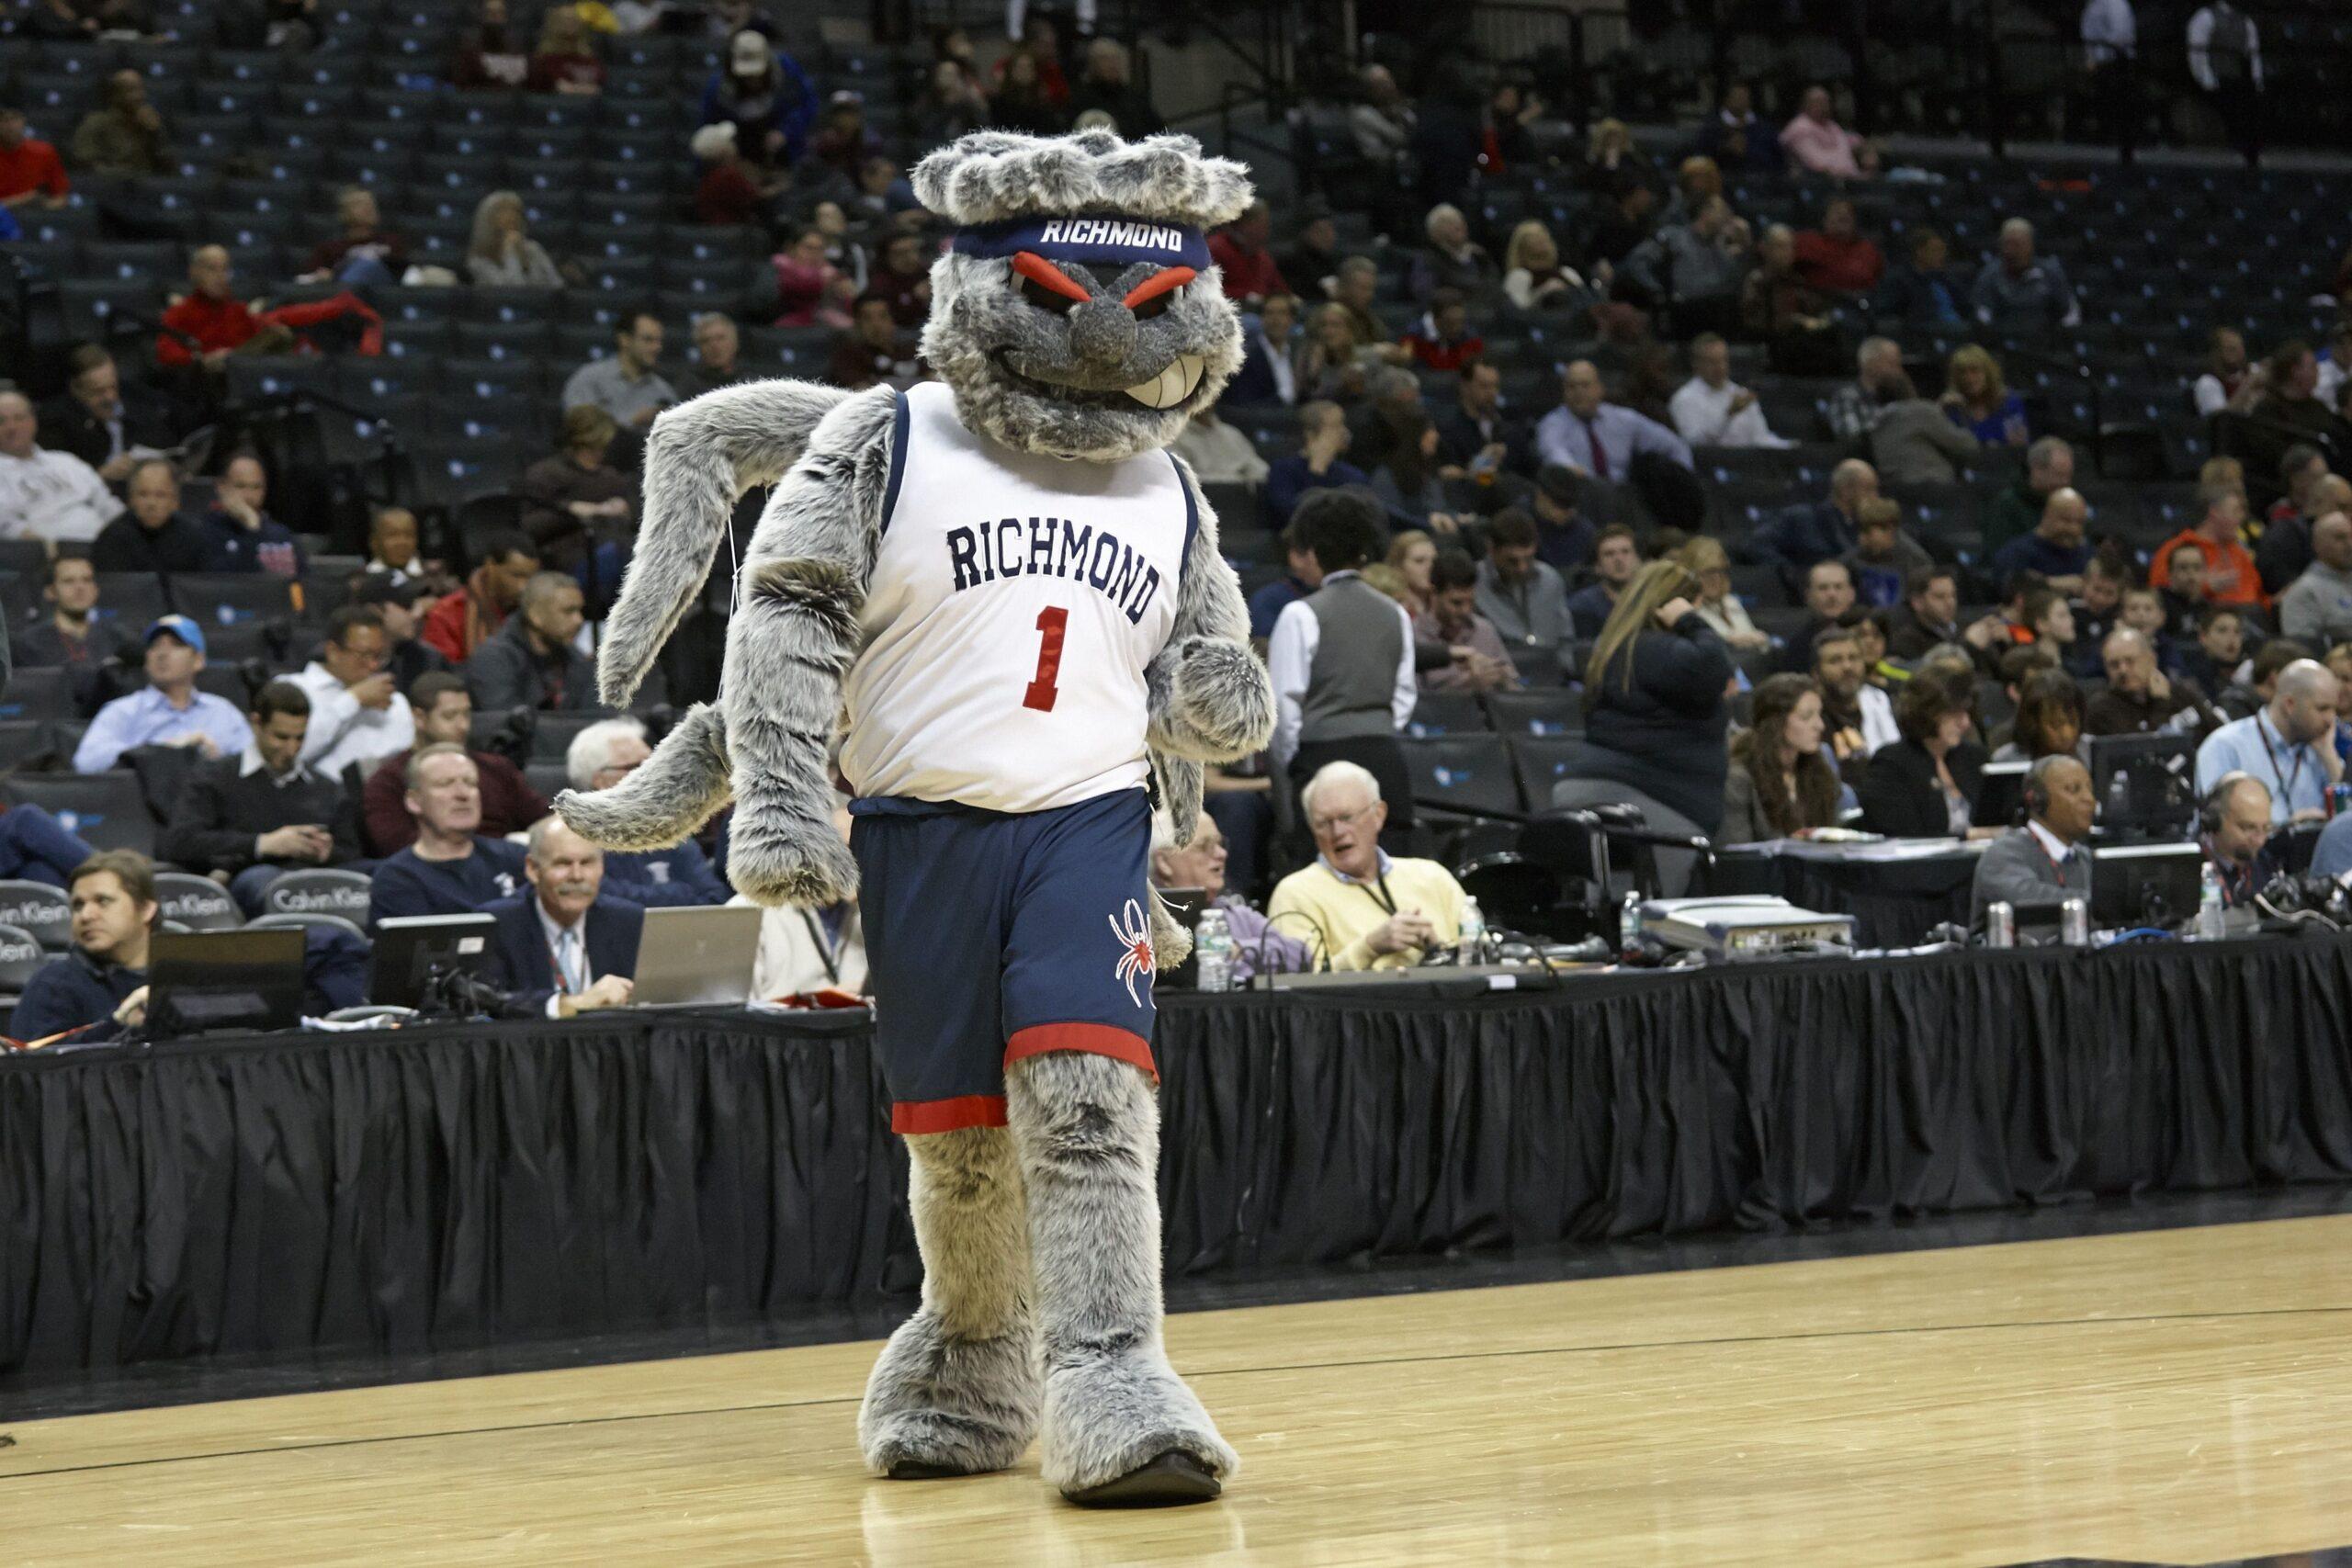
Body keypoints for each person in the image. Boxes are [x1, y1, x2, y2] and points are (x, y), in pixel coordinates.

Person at [1551, 558, 1736, 845]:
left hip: (1610, 791)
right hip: (1643, 799)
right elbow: (1714, 666)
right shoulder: (1655, 648)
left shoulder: (1620, 648)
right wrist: (1690, 621)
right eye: (1693, 607)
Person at [1266, 490, 1418, 824]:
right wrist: (1375, 728)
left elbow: (1283, 709)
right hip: (1384, 760)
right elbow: (1404, 695)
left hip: (1321, 760)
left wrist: (1297, 763)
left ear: (1313, 551)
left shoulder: (1299, 614)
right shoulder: (1395, 612)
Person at [161, 681, 366, 914]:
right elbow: (181, 842)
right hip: (253, 878)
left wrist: (326, 852)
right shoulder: (215, 778)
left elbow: (351, 852)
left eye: (299, 738)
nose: (291, 749)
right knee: (272, 884)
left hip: (320, 881)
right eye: (281, 737)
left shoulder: (326, 787)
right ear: (257, 723)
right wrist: (262, 844)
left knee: (378, 874)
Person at [1266, 761, 1464, 972]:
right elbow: (1299, 983)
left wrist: (1439, 949)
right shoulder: (1295, 894)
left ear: (1378, 815)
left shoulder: (1432, 877)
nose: (1337, 832)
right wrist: (1369, 948)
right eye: (1323, 823)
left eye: (1346, 818)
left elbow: (1480, 955)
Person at [362, 674, 548, 855]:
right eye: (450, 716)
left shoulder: (497, 768)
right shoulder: (389, 781)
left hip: (505, 865)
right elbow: (395, 846)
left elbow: (544, 817)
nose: (463, 726)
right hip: (432, 869)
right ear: (419, 717)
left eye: (466, 714)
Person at [562, 718, 732, 906]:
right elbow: (594, 900)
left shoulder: (671, 826)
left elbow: (715, 899)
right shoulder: (566, 839)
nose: (653, 774)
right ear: (601, 780)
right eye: (638, 767)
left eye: (653, 764)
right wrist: (677, 891)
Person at [485, 817, 641, 1017]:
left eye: (587, 863)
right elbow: (490, 1000)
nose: (577, 876)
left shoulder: (628, 921)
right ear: (533, 869)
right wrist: (570, 1004)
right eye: (563, 863)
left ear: (602, 866)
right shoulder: (497, 924)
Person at [368, 744, 530, 923]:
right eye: (445, 784)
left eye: (470, 783)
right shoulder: (397, 879)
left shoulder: (516, 859)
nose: (463, 794)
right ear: (414, 801)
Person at [10, 851, 159, 1043]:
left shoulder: (180, 979)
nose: (86, 915)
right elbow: (36, 1058)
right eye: (78, 905)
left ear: (146, 909)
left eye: (103, 901)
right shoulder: (52, 984)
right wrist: (117, 1024)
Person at [74, 616, 254, 773]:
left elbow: (254, 764)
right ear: (146, 660)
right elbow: (86, 762)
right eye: (155, 646)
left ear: (198, 660)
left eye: (176, 645)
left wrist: (221, 763)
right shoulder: (123, 711)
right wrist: (162, 750)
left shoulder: (223, 712)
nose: (162, 653)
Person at [1148, 810, 1306, 983]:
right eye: (1203, 846)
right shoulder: (1142, 923)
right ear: (1164, 863)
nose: (1221, 853)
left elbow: (1302, 956)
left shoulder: (1236, 915)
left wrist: (1238, 949)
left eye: (1220, 844)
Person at [2195, 657, 2339, 821]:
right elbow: (2216, 823)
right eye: (2322, 709)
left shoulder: (2319, 748)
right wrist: (2285, 829)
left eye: (2334, 709)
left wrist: (2330, 758)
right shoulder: (2226, 746)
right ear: (2289, 704)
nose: (2330, 719)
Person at [1856, 669, 1990, 838]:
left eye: (1967, 712)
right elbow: (1902, 836)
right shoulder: (1890, 764)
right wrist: (1969, 837)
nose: (1965, 723)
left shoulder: (1975, 757)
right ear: (1926, 712)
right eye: (1953, 713)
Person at [288, 605, 413, 781]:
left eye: (378, 656)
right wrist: (353, 700)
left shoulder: (395, 701)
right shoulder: (293, 688)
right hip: (314, 793)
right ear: (333, 652)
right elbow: (289, 754)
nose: (373, 665)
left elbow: (405, 763)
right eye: (364, 655)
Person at [1969, 755, 2097, 923]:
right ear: (2037, 800)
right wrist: (2106, 903)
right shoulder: (2002, 854)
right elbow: (2028, 900)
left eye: (2090, 789)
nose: (2089, 799)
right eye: (2073, 789)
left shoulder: (2086, 858)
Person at [1720, 673, 1840, 845]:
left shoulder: (1821, 772)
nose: (1820, 725)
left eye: (1819, 715)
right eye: (1806, 716)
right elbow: (1738, 854)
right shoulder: (1739, 779)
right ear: (1776, 722)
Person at [519, 406, 634, 581]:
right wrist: (571, 509)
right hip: (570, 561)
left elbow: (636, 519)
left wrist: (626, 509)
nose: (600, 452)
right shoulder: (546, 474)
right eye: (593, 446)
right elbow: (528, 527)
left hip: (617, 548)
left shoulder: (610, 476)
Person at [1534, 360, 1694, 482]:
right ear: (1563, 392)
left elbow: (1676, 446)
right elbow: (1553, 452)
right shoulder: (1552, 423)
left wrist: (1684, 480)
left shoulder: (1624, 419)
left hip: (1623, 496)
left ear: (1599, 388)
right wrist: (1574, 472)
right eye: (1571, 386)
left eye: (1585, 385)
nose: (1578, 392)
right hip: (1581, 493)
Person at [38, 344, 175, 484]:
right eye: (99, 391)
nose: (110, 397)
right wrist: (101, 474)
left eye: (113, 387)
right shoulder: (55, 422)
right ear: (77, 390)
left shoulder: (137, 402)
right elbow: (57, 481)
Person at [0, 391, 122, 543]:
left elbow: (106, 503)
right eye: (2, 421)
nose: (11, 427)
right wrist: (43, 548)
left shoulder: (66, 461)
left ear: (33, 421)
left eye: (19, 418)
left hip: (105, 543)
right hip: (45, 550)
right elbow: (7, 526)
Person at [11, 554, 127, 714]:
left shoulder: (118, 638)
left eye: (87, 580)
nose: (80, 587)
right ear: (50, 591)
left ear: (96, 589)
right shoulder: (29, 644)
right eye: (69, 581)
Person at [466, 571, 595, 714]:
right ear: (535, 615)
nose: (579, 620)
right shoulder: (494, 659)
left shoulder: (575, 658)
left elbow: (597, 713)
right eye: (568, 611)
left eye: (580, 610)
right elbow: (506, 721)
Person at [155, 246, 294, 371]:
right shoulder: (179, 312)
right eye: (212, 269)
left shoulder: (239, 310)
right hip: (205, 377)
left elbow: (259, 342)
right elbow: (166, 351)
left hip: (242, 372)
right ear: (194, 272)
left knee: (279, 334)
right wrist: (200, 360)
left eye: (225, 269)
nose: (220, 276)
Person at [702, 28, 818, 168]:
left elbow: (807, 104)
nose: (752, 80)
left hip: (785, 151)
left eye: (756, 74)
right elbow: (707, 128)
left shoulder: (787, 71)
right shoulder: (719, 88)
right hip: (739, 152)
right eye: (746, 76)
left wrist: (786, 132)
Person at [423, 532, 540, 664]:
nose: (523, 587)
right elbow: (442, 672)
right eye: (516, 575)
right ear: (490, 565)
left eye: (530, 578)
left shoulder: (536, 614)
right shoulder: (446, 615)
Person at [1750, 457, 1880, 576]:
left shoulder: (1866, 527)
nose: (1875, 497)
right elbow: (1757, 545)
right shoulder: (1801, 518)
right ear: (1846, 490)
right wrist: (1794, 575)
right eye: (1869, 489)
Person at [1415, 548, 1516, 694]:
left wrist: (1503, 678)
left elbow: (1516, 690)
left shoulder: (1484, 630)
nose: (1465, 611)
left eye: (1471, 601)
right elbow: (1415, 701)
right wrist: (1468, 685)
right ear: (1433, 593)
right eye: (1457, 603)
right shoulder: (1414, 636)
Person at [1480, 507, 1577, 659]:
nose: (1522, 568)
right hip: (1501, 665)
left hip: (1548, 665)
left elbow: (1565, 637)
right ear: (1491, 549)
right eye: (1512, 561)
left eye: (1529, 558)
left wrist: (1565, 667)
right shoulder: (1474, 584)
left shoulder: (1550, 580)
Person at [2151, 481, 2265, 609]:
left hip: (2251, 616)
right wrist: (2205, 587)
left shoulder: (2238, 552)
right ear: (2215, 512)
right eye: (2235, 511)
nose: (2241, 518)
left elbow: (2260, 597)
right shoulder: (2177, 550)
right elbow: (2160, 599)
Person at [561, 310, 675, 434]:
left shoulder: (664, 393)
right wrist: (632, 422)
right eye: (648, 340)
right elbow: (578, 429)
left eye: (659, 341)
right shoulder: (589, 379)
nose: (657, 347)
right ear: (624, 339)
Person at [1669, 333, 1790, 449]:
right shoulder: (1684, 399)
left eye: (1723, 360)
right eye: (1712, 362)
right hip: (1712, 461)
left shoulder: (1741, 394)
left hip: (1750, 460)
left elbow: (1762, 438)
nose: (1720, 367)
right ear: (1696, 364)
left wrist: (1791, 447)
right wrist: (1728, 415)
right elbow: (1694, 444)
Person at [89, 457, 206, 574]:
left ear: (175, 501)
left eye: (160, 495)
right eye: (143, 494)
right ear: (131, 499)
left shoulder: (193, 537)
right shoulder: (112, 539)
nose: (151, 503)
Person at [1263, 401, 1369, 527]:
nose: (1344, 432)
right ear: (1311, 435)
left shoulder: (1352, 474)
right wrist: (1317, 470)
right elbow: (1291, 515)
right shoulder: (1283, 470)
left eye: (1343, 424)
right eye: (1336, 426)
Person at [1814, 623, 1899, 776]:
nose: (1847, 667)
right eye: (1835, 660)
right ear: (1816, 672)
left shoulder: (1884, 702)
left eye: (1853, 658)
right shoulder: (1813, 719)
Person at [199, 453, 305, 577]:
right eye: (240, 486)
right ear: (221, 487)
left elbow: (304, 581)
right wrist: (251, 530)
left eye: (256, 487)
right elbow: (222, 582)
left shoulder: (281, 535)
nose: (249, 496)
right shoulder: (204, 533)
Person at [2187, 0, 2264, 164]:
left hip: (2236, 81)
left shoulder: (2246, 21)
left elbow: (2253, 54)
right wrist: (2207, 81)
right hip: (2214, 80)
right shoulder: (2205, 17)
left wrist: (2257, 82)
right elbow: (2197, 54)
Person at [1871, 373, 1981, 488]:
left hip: (1894, 490)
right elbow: (1967, 445)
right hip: (1932, 485)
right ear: (1909, 389)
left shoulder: (1875, 423)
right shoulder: (1919, 410)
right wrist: (1962, 412)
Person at [1973, 220, 2081, 330]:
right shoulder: (1990, 274)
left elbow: (2070, 311)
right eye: (2007, 244)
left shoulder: (2050, 272)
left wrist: (2062, 333)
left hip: (2044, 336)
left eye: (2017, 245)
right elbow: (1982, 311)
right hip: (2002, 335)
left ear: (2030, 245)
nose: (2011, 251)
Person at [1982, 436, 2078, 558]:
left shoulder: (2069, 505)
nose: (2065, 483)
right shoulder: (2006, 506)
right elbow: (2001, 556)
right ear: (2036, 470)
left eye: (2068, 476)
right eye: (2059, 475)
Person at [299, 185, 406, 288]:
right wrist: (322, 277)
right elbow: (303, 280)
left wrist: (336, 277)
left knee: (368, 265)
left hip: (379, 292)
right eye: (359, 204)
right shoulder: (329, 249)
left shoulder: (391, 242)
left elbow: (403, 277)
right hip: (342, 293)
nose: (368, 208)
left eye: (371, 204)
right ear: (344, 213)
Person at [1991, 487, 2095, 593]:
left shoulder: (2087, 553)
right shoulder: (2017, 553)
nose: (2073, 529)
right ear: (2046, 515)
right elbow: (2006, 586)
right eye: (2066, 520)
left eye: (2079, 522)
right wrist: (2049, 584)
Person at [1679, 536, 1770, 652]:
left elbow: (1761, 648)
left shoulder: (1730, 601)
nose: (1717, 578)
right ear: (1690, 575)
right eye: (1709, 572)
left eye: (1720, 571)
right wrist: (1730, 642)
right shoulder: (1686, 611)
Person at [2277, 512, 2352, 648]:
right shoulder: (2303, 591)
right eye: (2340, 538)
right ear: (2317, 545)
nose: (2349, 544)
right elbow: (2302, 649)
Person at [2201, 772, 2278, 904]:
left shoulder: (2268, 865)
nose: (2259, 841)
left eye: (2266, 828)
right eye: (2248, 828)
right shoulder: (2184, 869)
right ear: (2215, 821)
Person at [1871, 229, 1968, 330]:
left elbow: (1965, 307)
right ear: (1920, 252)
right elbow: (1888, 314)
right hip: (1931, 332)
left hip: (1960, 329)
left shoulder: (1945, 279)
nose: (1942, 255)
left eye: (1944, 250)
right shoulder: (1900, 281)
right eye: (1936, 250)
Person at [466, 190, 562, 288]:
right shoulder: (478, 259)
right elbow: (512, 289)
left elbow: (557, 284)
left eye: (516, 211)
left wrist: (524, 259)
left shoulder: (533, 248)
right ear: (488, 217)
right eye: (503, 211)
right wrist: (511, 252)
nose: (512, 216)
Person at [1780, 559, 1860, 675]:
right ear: (1808, 596)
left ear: (1852, 594)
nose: (1832, 594)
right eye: (1823, 588)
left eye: (1838, 587)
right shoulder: (1797, 647)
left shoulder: (1870, 636)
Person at [1941, 344, 2031, 446]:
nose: (1969, 379)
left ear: (1987, 373)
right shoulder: (1952, 408)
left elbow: (2020, 446)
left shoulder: (2009, 402)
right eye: (1963, 373)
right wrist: (1940, 408)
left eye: (1974, 371)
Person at [1792, 197, 1883, 296]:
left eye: (1848, 212)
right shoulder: (1806, 241)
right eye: (1837, 211)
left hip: (1855, 302)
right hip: (1814, 299)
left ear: (1855, 221)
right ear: (1825, 219)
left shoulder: (1868, 250)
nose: (1842, 214)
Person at [1779, 85, 1876, 178]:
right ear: (1806, 105)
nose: (1823, 106)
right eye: (1818, 102)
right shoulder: (1799, 128)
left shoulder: (1831, 126)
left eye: (1826, 102)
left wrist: (1867, 150)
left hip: (1850, 179)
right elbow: (1816, 163)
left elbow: (1851, 141)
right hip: (1819, 183)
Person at [1564, 523, 1640, 640]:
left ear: (1637, 560)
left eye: (1625, 552)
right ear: (1597, 566)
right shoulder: (1581, 607)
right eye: (1609, 554)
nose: (1619, 559)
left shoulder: (1652, 600)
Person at [1992, 670, 2087, 763]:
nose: (2067, 734)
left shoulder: (2092, 752)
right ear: (2032, 723)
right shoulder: (2004, 761)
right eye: (2055, 725)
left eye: (2073, 722)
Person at [1827, 336, 1905, 444]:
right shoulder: (1847, 396)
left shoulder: (1899, 394)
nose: (1899, 371)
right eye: (1892, 364)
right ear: (1871, 364)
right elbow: (1851, 438)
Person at [0, 104, 73, 210]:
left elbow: (61, 196)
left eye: (14, 119)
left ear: (23, 122)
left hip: (36, 215)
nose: (10, 126)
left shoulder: (44, 152)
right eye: (3, 120)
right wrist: (24, 200)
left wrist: (47, 206)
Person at [2177, 604, 2245, 696]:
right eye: (2222, 630)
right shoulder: (2192, 677)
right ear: (2203, 637)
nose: (2232, 638)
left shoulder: (2251, 672)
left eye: (2237, 631)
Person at [2195, 325, 2251, 416]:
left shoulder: (2251, 371)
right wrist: (2249, 385)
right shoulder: (2208, 383)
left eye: (2241, 348)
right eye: (2232, 349)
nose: (2240, 354)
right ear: (2217, 353)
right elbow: (2220, 419)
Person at [366, 505, 423, 582]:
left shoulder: (429, 579)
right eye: (392, 535)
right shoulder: (362, 582)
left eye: (409, 535)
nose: (402, 542)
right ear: (374, 542)